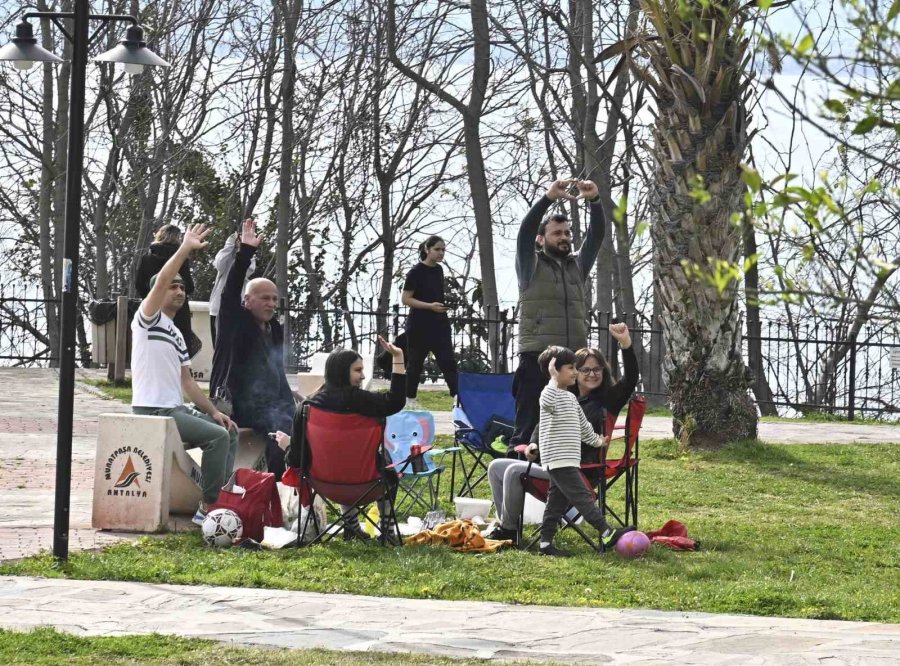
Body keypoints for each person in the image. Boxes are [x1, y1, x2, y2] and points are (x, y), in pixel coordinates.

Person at [486, 323, 638, 544]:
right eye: (584, 369)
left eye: (597, 369)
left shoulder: (609, 400)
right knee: (496, 466)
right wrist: (532, 444)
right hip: (554, 462)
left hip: (579, 469)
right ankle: (507, 525)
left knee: (512, 471)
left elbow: (631, 378)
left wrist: (625, 343)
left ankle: (510, 530)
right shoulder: (563, 396)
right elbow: (542, 424)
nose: (592, 374)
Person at [130, 223, 238, 526]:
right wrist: (185, 248)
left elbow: (188, 383)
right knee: (216, 439)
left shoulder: (177, 334)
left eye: (181, 286)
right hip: (153, 411)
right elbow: (162, 277)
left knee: (226, 429)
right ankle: (210, 506)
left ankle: (222, 497)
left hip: (175, 410)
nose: (179, 290)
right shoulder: (147, 319)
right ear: (159, 291)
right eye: (172, 286)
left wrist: (215, 412)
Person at [276, 336, 406, 541]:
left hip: (324, 485)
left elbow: (296, 459)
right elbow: (396, 400)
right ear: (341, 371)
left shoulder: (307, 407)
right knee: (385, 460)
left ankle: (352, 527)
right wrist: (398, 357)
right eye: (358, 370)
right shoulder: (363, 401)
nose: (363, 376)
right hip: (370, 483)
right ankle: (387, 531)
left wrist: (287, 445)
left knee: (341, 460)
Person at [510, 179, 606, 453]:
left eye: (567, 233)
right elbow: (524, 232)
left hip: (571, 360)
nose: (564, 237)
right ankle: (516, 486)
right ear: (542, 239)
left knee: (566, 435)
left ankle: (562, 491)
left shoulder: (577, 266)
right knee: (527, 434)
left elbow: (596, 236)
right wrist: (548, 198)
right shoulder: (530, 264)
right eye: (557, 233)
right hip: (537, 360)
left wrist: (595, 201)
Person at [527, 345, 634, 556]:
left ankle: (545, 543)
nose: (576, 372)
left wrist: (598, 441)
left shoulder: (570, 398)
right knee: (582, 498)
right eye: (572, 368)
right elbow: (545, 405)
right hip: (557, 459)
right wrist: (552, 380)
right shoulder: (551, 395)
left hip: (570, 459)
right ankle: (606, 531)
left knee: (555, 503)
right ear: (555, 370)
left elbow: (584, 427)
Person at [209, 218, 294, 481]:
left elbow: (278, 372)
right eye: (265, 298)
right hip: (235, 403)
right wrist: (246, 252)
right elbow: (230, 288)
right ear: (247, 301)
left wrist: (292, 403)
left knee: (302, 417)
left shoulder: (275, 329)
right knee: (281, 425)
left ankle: (299, 484)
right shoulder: (234, 321)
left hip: (268, 403)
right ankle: (279, 485)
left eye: (274, 299)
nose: (271, 304)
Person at [401, 236, 458, 409]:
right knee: (415, 364)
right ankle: (409, 399)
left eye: (443, 250)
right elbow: (406, 299)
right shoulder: (415, 272)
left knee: (448, 362)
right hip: (419, 325)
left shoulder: (439, 270)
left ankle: (457, 397)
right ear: (427, 249)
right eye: (437, 249)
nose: (441, 253)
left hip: (439, 324)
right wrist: (429, 306)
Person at [134, 224, 199, 358]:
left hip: (152, 309)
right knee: (179, 352)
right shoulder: (181, 259)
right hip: (178, 313)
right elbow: (189, 286)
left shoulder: (147, 258)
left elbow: (139, 285)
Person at [209, 221, 257, 346]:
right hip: (218, 308)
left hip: (238, 305)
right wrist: (230, 245)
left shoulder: (250, 257)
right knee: (218, 345)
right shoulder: (226, 253)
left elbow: (248, 271)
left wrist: (245, 251)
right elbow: (219, 264)